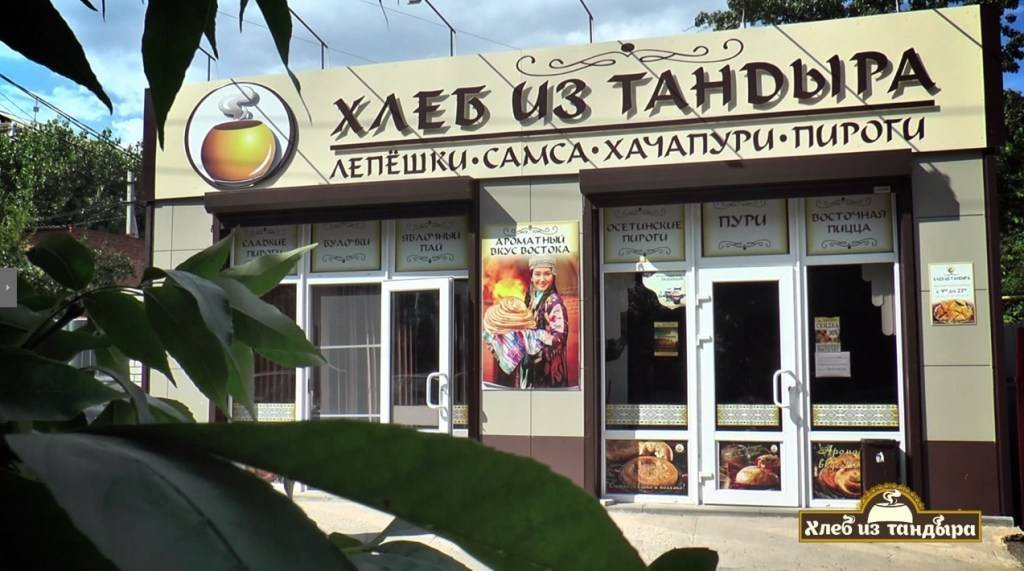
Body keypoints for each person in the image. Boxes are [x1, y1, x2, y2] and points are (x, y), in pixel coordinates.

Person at [518, 255, 569, 388]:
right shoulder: (531, 298)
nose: (542, 279)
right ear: (531, 277)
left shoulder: (554, 302)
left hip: (548, 373)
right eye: (537, 274)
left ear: (553, 276)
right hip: (530, 368)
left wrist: (536, 345)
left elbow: (560, 339)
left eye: (547, 274)